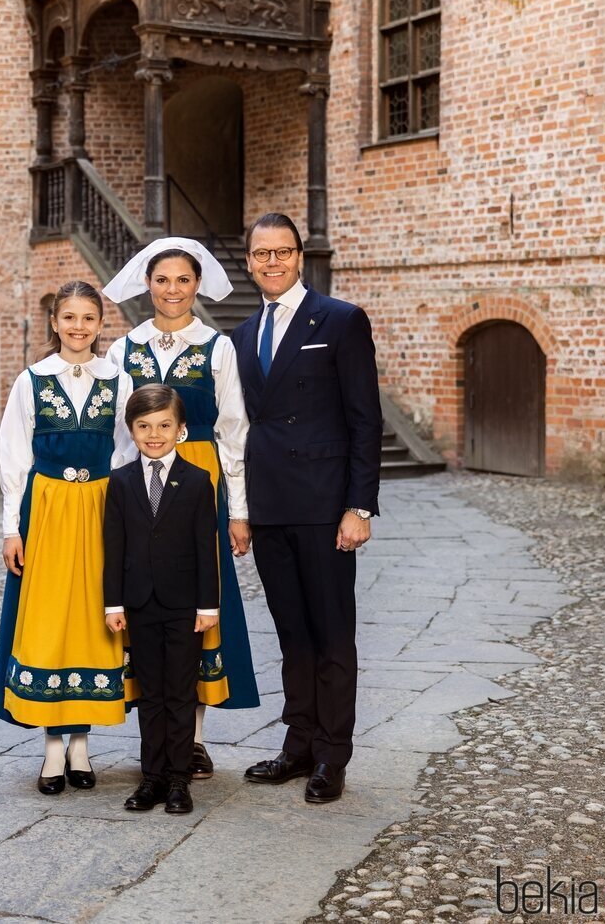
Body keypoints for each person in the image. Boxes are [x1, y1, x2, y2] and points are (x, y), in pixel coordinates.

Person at [229, 213, 382, 804]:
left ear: (300, 257)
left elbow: (364, 419)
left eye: (282, 252)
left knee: (331, 634)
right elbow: (241, 427)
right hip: (269, 507)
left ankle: (332, 757)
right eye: (261, 254)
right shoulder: (242, 336)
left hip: (324, 506)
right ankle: (298, 745)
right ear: (249, 261)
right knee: (291, 634)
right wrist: (241, 508)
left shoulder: (340, 320)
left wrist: (359, 506)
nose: (272, 262)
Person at [104, 237, 260, 780]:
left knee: (197, 602)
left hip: (200, 483)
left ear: (197, 286)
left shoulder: (218, 348)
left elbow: (234, 432)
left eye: (183, 280)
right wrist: (116, 497)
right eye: (162, 280)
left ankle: (192, 738)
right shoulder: (125, 349)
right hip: (140, 486)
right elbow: (120, 438)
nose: (172, 290)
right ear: (148, 285)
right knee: (146, 598)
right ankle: (155, 732)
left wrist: (237, 510)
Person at [0, 280, 135, 795]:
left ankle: (81, 746)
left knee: (95, 621)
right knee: (50, 622)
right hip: (46, 510)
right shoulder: (32, 381)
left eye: (88, 318)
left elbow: (126, 453)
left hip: (99, 507)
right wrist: (13, 527)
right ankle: (53, 749)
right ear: (54, 323)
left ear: (101, 324)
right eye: (68, 317)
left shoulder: (118, 381)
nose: (78, 327)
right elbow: (14, 459)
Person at [103, 384, 220, 814]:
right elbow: (112, 547)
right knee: (150, 694)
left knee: (179, 693)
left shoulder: (196, 481)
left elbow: (206, 549)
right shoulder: (119, 481)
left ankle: (178, 780)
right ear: (131, 431)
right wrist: (112, 604)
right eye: (144, 426)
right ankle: (150, 777)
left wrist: (209, 606)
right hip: (139, 604)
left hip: (185, 605)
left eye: (164, 425)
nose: (155, 435)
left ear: (181, 430)